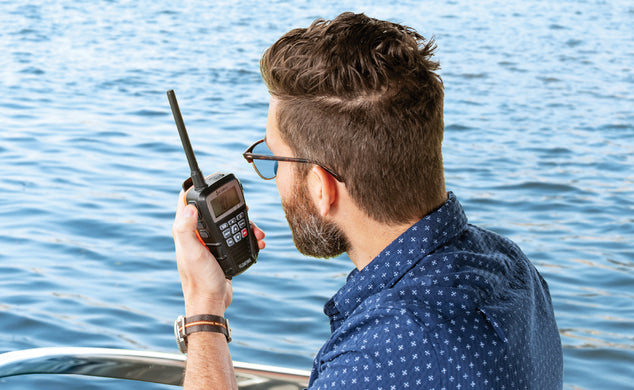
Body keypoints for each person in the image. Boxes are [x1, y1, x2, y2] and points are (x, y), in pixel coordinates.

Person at [172, 12, 563, 389]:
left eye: (274, 160)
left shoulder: (383, 355)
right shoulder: (512, 266)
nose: (273, 179)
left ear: (321, 187)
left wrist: (204, 307)